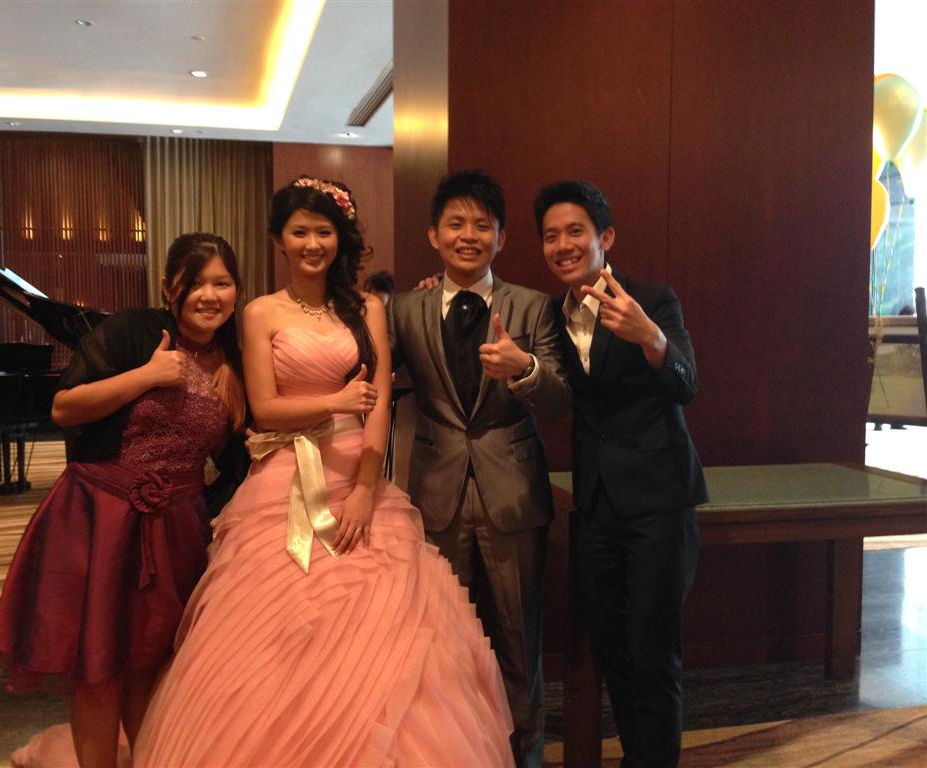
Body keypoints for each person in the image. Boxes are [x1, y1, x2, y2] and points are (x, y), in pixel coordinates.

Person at [132, 177, 514, 767]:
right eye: (300, 232)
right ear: (278, 240)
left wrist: (366, 487)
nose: (313, 243)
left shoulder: (368, 309)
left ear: (341, 238)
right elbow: (265, 408)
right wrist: (336, 403)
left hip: (357, 476)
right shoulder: (260, 312)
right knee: (278, 634)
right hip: (283, 482)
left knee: (385, 635)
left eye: (324, 231)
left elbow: (379, 403)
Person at [0, 232, 245, 768]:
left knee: (151, 666)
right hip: (100, 516)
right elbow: (64, 408)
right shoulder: (134, 331)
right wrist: (147, 376)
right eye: (195, 283)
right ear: (169, 288)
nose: (209, 295)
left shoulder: (235, 357)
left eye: (222, 283)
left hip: (178, 527)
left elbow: (237, 457)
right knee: (99, 666)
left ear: (236, 291)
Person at [389, 169, 568, 768]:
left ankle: (525, 756)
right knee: (444, 639)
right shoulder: (405, 309)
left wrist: (524, 370)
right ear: (433, 235)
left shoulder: (534, 306)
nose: (469, 235)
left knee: (520, 638)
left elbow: (560, 400)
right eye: (456, 224)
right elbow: (374, 374)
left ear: (502, 238)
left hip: (512, 495)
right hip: (435, 495)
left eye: (482, 225)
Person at [533, 180, 707, 768]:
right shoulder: (550, 315)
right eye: (550, 236)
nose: (562, 245)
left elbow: (687, 384)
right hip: (595, 507)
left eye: (575, 231)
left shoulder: (652, 299)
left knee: (654, 656)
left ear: (604, 237)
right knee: (614, 653)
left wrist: (650, 337)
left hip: (659, 502)